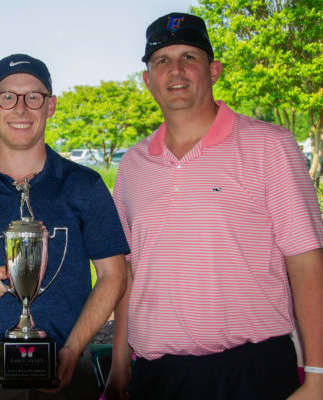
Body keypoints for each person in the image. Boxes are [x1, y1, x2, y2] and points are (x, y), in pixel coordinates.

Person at [105, 12, 323, 400]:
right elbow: (128, 269)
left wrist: (318, 377)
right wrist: (120, 361)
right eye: (161, 60)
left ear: (214, 69)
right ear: (147, 79)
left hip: (252, 374)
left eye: (189, 57)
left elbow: (307, 263)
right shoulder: (133, 165)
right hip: (157, 377)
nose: (176, 70)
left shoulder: (269, 146)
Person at [0, 53, 129, 399]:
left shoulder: (84, 185)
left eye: (33, 97)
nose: (21, 109)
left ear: (50, 106)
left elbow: (114, 275)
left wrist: (73, 347)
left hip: (66, 369)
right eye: (8, 96)